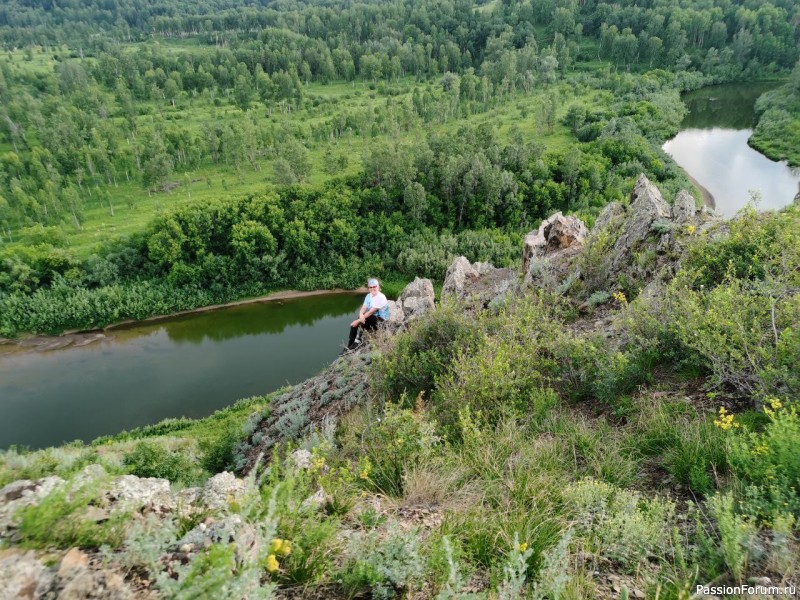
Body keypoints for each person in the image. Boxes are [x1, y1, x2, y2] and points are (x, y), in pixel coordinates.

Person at [344, 278, 389, 352]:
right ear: (368, 288)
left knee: (358, 321)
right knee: (360, 318)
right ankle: (350, 344)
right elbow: (364, 308)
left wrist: (357, 321)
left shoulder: (381, 297)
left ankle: (358, 340)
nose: (372, 288)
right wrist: (361, 315)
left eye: (374, 286)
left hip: (381, 322)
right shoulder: (369, 296)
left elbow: (370, 312)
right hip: (373, 318)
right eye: (370, 287)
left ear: (378, 287)